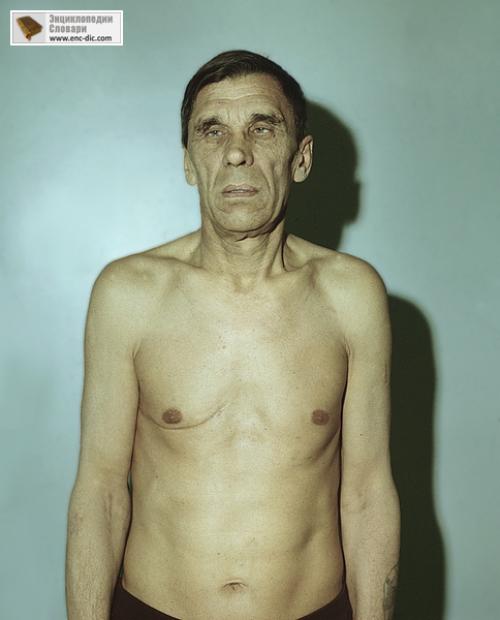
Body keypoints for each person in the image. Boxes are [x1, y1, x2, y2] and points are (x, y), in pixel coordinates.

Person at [65, 50, 400, 620]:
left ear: (301, 158)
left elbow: (368, 494)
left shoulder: (352, 296)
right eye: (212, 130)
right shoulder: (128, 294)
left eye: (262, 128)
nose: (237, 152)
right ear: (189, 162)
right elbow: (100, 492)